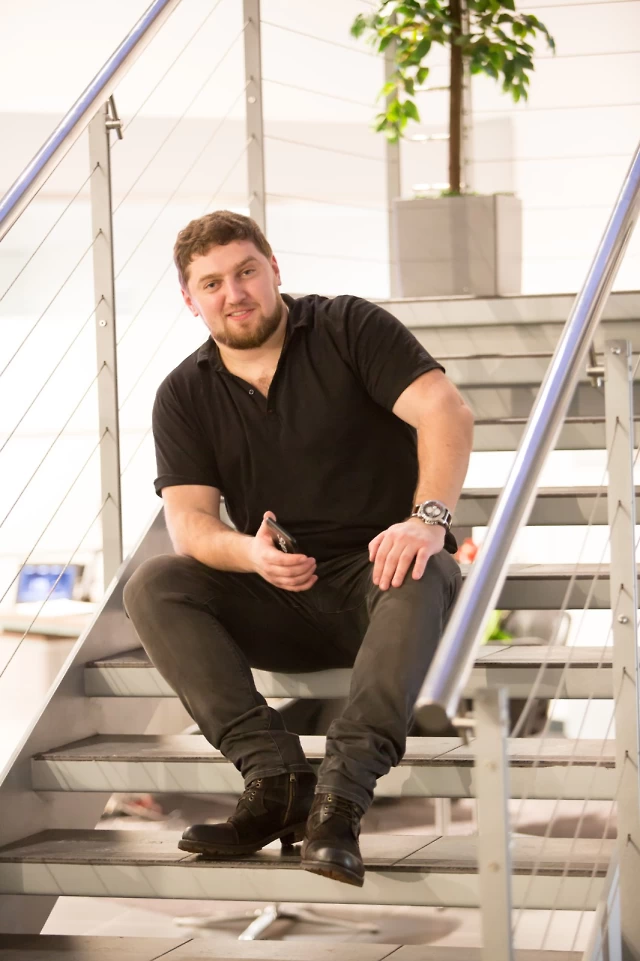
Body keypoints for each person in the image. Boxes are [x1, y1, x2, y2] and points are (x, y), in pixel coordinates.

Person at [123, 210, 473, 888]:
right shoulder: (184, 393)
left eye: (246, 271)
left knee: (424, 566)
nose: (235, 293)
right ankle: (276, 780)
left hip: (385, 582)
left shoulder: (347, 327)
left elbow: (445, 410)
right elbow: (190, 523)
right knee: (155, 583)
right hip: (284, 594)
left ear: (274, 269)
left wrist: (427, 519)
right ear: (191, 300)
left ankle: (341, 801)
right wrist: (250, 555)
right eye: (212, 283)